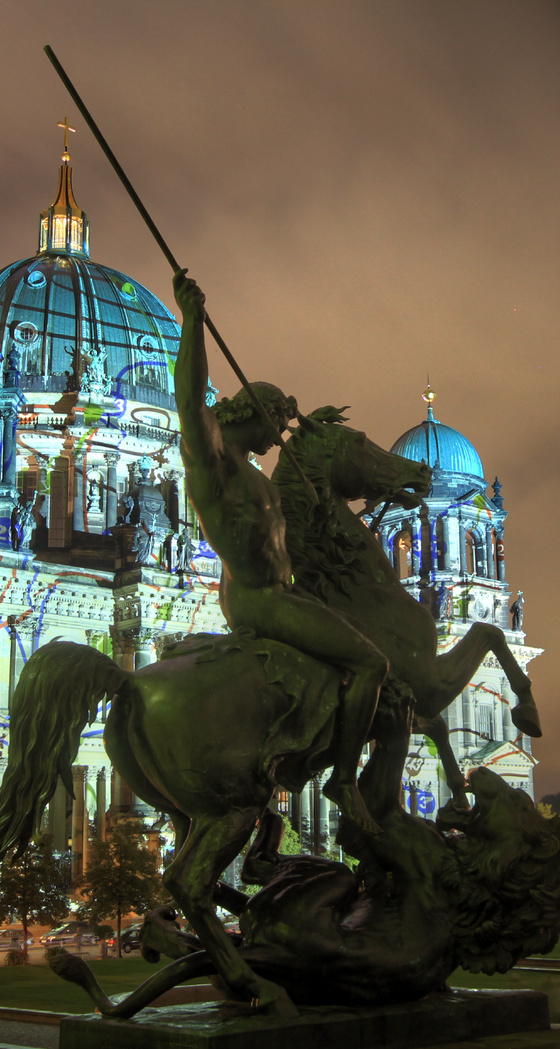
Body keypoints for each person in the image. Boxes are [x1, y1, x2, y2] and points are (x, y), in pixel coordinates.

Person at [172, 269, 390, 833]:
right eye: (277, 424)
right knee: (372, 661)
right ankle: (344, 780)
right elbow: (191, 399)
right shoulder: (215, 465)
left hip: (278, 593)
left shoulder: (261, 480)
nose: (279, 439)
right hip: (259, 603)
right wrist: (192, 322)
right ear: (253, 414)